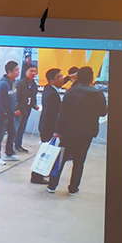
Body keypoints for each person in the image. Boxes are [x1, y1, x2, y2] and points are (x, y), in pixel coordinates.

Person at [47, 66, 107, 195]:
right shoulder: (97, 94)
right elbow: (103, 112)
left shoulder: (70, 92)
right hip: (86, 132)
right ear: (91, 78)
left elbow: (62, 114)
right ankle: (73, 188)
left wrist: (57, 131)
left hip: (68, 131)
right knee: (79, 161)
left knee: (61, 159)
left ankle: (52, 185)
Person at [31, 68, 66, 185]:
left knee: (46, 151)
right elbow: (53, 114)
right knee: (46, 152)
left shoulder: (49, 88)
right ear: (52, 80)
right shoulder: (52, 94)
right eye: (59, 77)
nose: (62, 79)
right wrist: (56, 130)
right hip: (49, 127)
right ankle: (37, 176)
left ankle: (39, 174)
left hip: (46, 125)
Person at [0, 61, 21, 166]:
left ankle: (9, 153)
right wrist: (4, 112)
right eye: (16, 70)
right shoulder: (3, 84)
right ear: (9, 71)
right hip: (2, 115)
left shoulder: (13, 82)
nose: (18, 72)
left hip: (11, 114)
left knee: (12, 132)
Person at [14, 63, 39, 153]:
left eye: (35, 71)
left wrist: (34, 105)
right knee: (16, 128)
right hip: (19, 110)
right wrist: (16, 109)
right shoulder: (21, 84)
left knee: (22, 128)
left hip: (27, 110)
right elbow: (15, 97)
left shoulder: (34, 84)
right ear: (26, 72)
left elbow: (33, 97)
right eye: (31, 71)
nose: (33, 73)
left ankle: (18, 145)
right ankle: (12, 146)